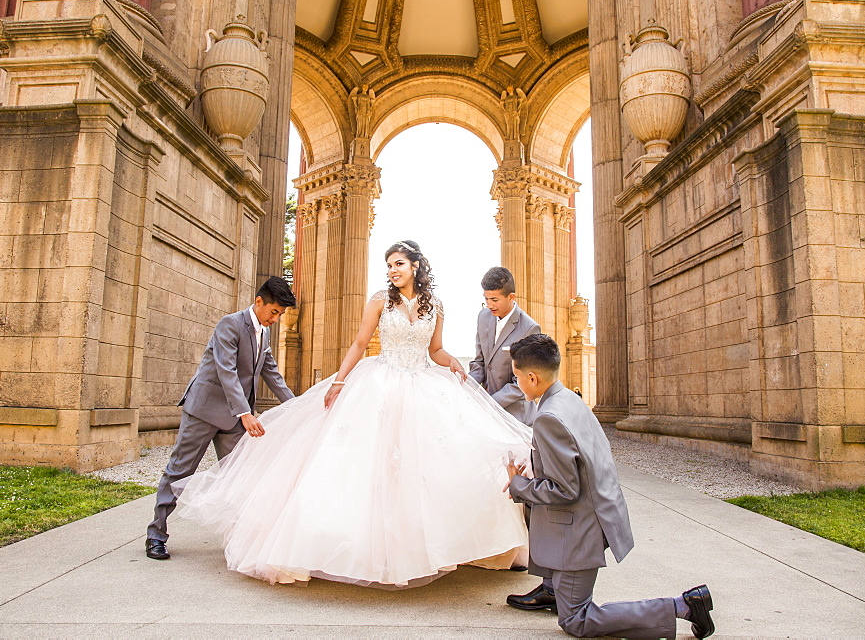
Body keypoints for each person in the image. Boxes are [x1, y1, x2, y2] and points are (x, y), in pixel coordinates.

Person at [172, 240, 533, 587]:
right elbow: (360, 342)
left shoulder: (435, 304)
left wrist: (452, 362)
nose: (392, 271)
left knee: (425, 465)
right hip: (380, 382)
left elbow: (435, 349)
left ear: (416, 266)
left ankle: (428, 544)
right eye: (389, 265)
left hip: (423, 384)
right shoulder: (379, 300)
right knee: (366, 464)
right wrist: (339, 381)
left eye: (399, 264)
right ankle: (358, 547)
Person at [504, 334, 716, 639]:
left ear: (532, 377)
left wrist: (518, 484)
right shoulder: (569, 400)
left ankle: (683, 606)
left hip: (577, 529)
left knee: (576, 620)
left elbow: (564, 490)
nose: (517, 382)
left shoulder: (548, 417)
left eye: (517, 376)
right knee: (570, 607)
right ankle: (555, 591)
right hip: (595, 513)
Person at [145, 276, 297, 560]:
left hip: (233, 420)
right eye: (274, 311)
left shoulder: (264, 333)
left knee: (239, 475)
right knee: (180, 469)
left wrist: (298, 407)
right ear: (259, 301)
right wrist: (245, 413)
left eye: (280, 314)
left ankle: (237, 538)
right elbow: (226, 370)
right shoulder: (230, 324)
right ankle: (156, 534)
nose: (276, 318)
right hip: (204, 410)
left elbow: (272, 374)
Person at [468, 267, 541, 426]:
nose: (489, 305)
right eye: (486, 299)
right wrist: (466, 387)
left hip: (516, 417)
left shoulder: (530, 328)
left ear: (511, 297)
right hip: (487, 415)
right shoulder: (483, 317)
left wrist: (490, 404)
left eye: (494, 300)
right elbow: (480, 363)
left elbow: (523, 382)